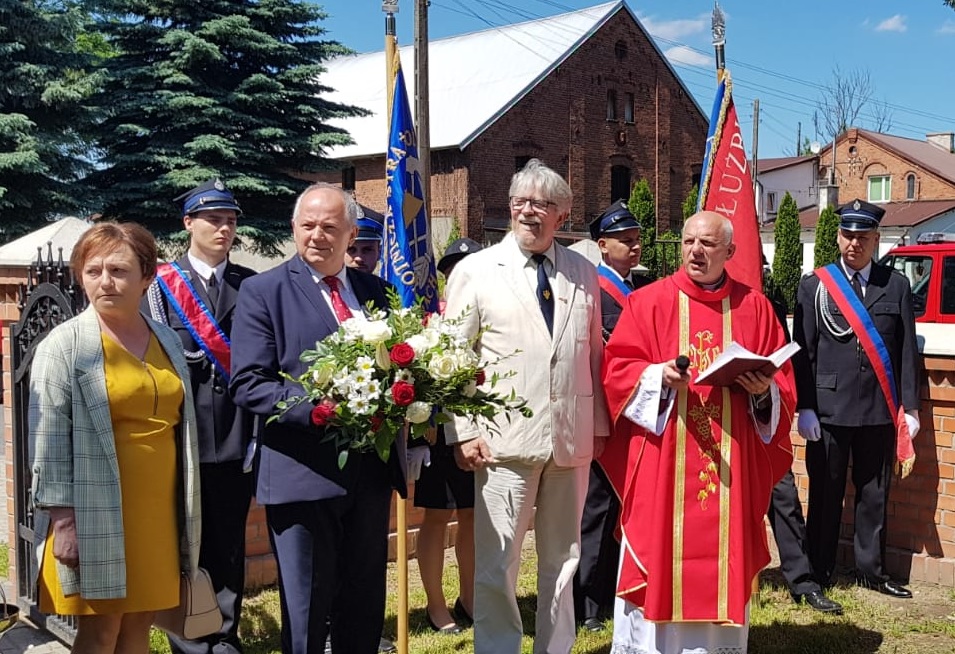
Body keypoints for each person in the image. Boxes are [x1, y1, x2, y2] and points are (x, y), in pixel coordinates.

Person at [602, 210, 795, 654]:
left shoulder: (756, 307)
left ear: (730, 251)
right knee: (657, 551)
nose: (695, 251)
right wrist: (655, 377)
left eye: (707, 244)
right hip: (664, 461)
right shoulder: (647, 302)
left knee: (722, 558)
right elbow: (615, 371)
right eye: (688, 242)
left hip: (731, 464)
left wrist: (762, 392)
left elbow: (782, 383)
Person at [229, 183, 407, 654]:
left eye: (330, 227)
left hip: (368, 478)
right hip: (302, 477)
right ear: (293, 228)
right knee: (307, 613)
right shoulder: (262, 292)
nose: (318, 236)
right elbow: (248, 382)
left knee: (364, 604)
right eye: (308, 225)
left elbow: (398, 368)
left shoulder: (378, 292)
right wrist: (319, 411)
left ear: (351, 234)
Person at [444, 158, 609, 654]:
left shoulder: (585, 271)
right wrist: (462, 431)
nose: (529, 212)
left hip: (570, 438)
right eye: (521, 202)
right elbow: (452, 357)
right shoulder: (476, 270)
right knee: (498, 562)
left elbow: (592, 352)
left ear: (563, 213)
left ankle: (554, 648)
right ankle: (498, 647)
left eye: (542, 204)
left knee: (564, 560)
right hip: (500, 442)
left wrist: (597, 426)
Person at [30, 222, 201, 654]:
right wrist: (64, 522)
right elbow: (47, 439)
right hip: (98, 512)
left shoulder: (166, 339)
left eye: (119, 270)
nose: (104, 281)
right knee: (101, 631)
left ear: (148, 276)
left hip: (159, 513)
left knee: (140, 627)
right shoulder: (64, 346)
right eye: (93, 270)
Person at [144, 178, 257, 654]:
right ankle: (189, 642)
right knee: (184, 549)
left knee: (230, 545)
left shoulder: (251, 285)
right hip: (181, 439)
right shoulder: (159, 288)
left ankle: (225, 638)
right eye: (213, 219)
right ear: (188, 223)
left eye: (230, 220)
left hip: (235, 436)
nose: (224, 228)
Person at [793, 198, 920, 599]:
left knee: (873, 493)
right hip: (829, 410)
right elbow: (804, 351)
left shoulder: (894, 285)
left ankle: (872, 571)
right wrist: (805, 406)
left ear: (876, 239)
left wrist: (910, 407)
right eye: (848, 235)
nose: (854, 243)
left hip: (879, 409)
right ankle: (821, 568)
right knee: (826, 493)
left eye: (863, 237)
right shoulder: (814, 286)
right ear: (837, 236)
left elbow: (905, 352)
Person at [573, 200, 649, 633]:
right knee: (596, 513)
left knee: (628, 510)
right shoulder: (592, 291)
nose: (634, 247)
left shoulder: (639, 290)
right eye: (625, 241)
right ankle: (586, 602)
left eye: (637, 240)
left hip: (637, 415)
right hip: (604, 416)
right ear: (602, 246)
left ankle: (618, 590)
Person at [413, 237, 483, 635]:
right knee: (437, 516)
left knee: (473, 516)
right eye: (457, 270)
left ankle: (470, 597)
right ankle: (436, 605)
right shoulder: (431, 317)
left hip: (479, 431)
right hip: (438, 434)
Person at [761, 278, 843, 615]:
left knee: (785, 501)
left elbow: (786, 363)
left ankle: (803, 582)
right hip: (712, 424)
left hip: (760, 421)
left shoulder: (766, 307)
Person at [345, 208, 383, 274]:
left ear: (379, 252)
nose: (359, 258)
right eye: (350, 249)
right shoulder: (322, 284)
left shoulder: (387, 284)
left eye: (367, 250)